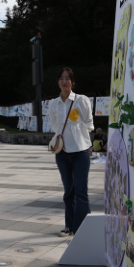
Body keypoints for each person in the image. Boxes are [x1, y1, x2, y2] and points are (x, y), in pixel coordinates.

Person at [47, 68, 93, 237]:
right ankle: (69, 226)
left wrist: (79, 135)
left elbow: (89, 122)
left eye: (68, 78)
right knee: (69, 191)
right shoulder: (53, 103)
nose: (64, 81)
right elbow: (54, 125)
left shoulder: (82, 100)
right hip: (62, 151)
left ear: (73, 82)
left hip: (80, 150)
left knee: (81, 191)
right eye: (61, 78)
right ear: (58, 82)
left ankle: (82, 228)